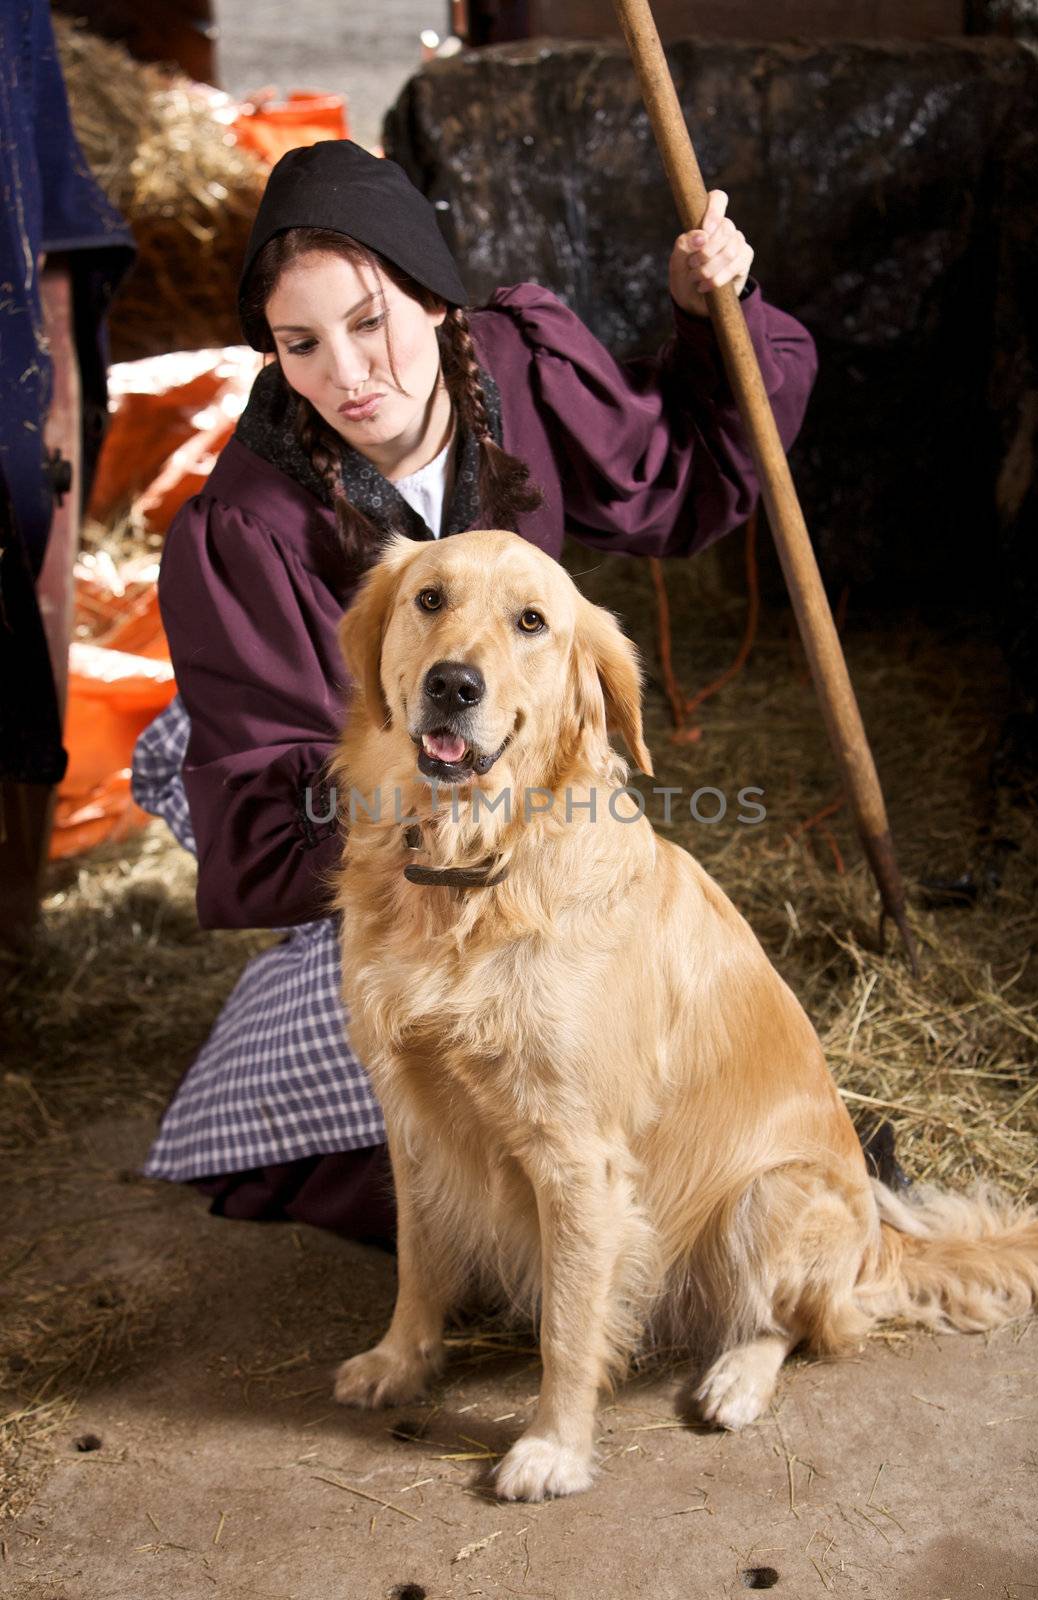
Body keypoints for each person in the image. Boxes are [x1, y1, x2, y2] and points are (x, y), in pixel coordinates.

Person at [133, 138, 817, 1244]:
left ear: (437, 300)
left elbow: (675, 478)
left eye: (371, 322)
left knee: (617, 990)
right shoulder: (247, 528)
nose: (349, 376)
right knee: (425, 1053)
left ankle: (713, 1167)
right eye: (299, 345)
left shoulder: (518, 369)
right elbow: (272, 808)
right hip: (322, 785)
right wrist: (460, 866)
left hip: (502, 779)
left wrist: (705, 316)